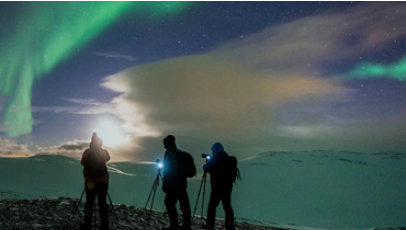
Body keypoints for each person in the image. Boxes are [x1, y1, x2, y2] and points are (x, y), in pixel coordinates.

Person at [162, 135, 193, 230]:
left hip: (172, 185)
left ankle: (174, 225)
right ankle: (186, 226)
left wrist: (165, 183)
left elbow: (167, 171)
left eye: (165, 144)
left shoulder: (169, 154)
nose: (164, 146)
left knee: (170, 203)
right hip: (182, 184)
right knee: (184, 205)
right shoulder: (180, 155)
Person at [81, 132, 110, 230]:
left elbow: (83, 162)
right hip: (102, 182)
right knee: (102, 204)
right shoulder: (104, 152)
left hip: (90, 182)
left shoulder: (87, 152)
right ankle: (104, 225)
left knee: (89, 203)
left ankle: (87, 225)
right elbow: (108, 158)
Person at [203, 142, 236, 230]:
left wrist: (208, 161)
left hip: (217, 187)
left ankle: (210, 225)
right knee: (227, 206)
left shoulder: (216, 159)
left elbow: (205, 168)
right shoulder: (227, 158)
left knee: (212, 207)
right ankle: (230, 226)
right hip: (228, 187)